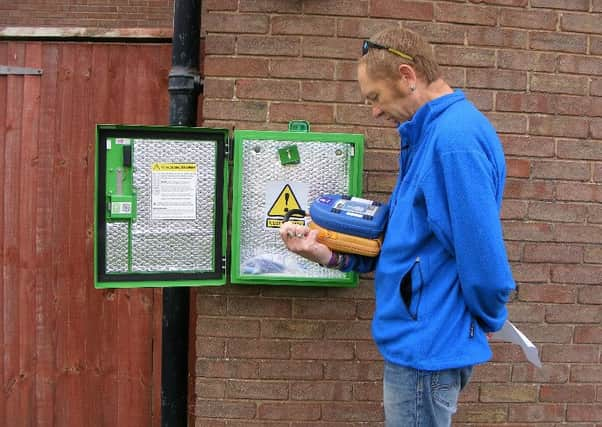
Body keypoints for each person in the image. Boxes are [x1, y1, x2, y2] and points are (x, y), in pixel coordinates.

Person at [279, 27, 516, 427]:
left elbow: (484, 259)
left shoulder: (454, 140)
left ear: (408, 76)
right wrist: (332, 255)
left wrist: (488, 318)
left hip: (426, 349)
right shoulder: (429, 135)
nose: (373, 110)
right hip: (419, 343)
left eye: (374, 97)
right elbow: (411, 244)